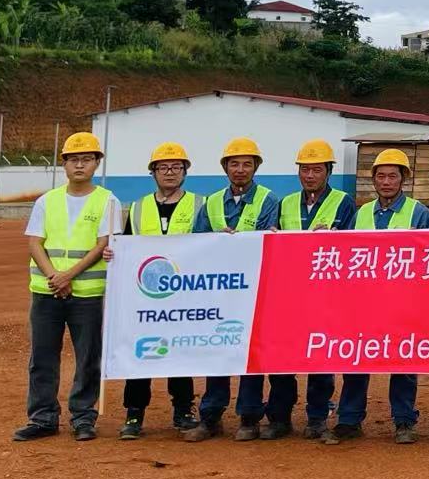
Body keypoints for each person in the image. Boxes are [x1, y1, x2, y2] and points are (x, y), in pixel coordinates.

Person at [325, 148, 429, 446]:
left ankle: (404, 421)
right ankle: (349, 420)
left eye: (392, 176)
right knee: (356, 360)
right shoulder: (361, 214)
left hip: (403, 302)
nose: (386, 182)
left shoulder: (419, 213)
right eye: (381, 176)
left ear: (403, 179)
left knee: (403, 362)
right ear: (373, 180)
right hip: (364, 303)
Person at [14, 132, 118, 443]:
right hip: (47, 292)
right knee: (42, 357)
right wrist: (54, 277)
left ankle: (83, 417)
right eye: (74, 159)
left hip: (87, 294)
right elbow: (35, 242)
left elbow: (102, 244)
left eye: (86, 159)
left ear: (96, 163)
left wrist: (68, 275)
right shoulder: (47, 201)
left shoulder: (107, 201)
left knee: (88, 357)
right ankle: (43, 417)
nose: (80, 165)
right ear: (64, 164)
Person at [184, 136, 280, 443]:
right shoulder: (212, 202)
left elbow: (269, 241)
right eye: (234, 164)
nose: (240, 169)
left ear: (256, 167)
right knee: (218, 352)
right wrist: (218, 241)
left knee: (251, 355)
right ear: (225, 167)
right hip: (220, 292)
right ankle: (210, 416)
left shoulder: (269, 200)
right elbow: (197, 243)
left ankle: (249, 417)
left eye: (246, 164)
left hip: (255, 292)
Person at [118, 141, 202, 440]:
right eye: (163, 167)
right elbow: (126, 247)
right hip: (146, 294)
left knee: (180, 352)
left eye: (176, 167)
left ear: (185, 172)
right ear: (153, 172)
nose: (170, 172)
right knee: (141, 353)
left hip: (184, 294)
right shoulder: (138, 207)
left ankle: (183, 409)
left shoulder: (200, 204)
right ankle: (134, 413)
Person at [278, 139, 354, 440]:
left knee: (321, 357)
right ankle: (280, 417)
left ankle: (317, 417)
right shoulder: (286, 203)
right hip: (290, 294)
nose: (310, 175)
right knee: (283, 356)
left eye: (317, 170)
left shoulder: (344, 202)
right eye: (305, 169)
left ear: (328, 172)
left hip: (326, 295)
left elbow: (353, 247)